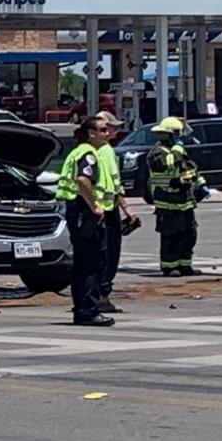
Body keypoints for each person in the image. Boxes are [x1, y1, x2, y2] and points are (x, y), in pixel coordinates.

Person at [55, 116, 114, 327]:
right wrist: (95, 207)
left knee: (81, 264)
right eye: (103, 130)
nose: (107, 133)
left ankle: (82, 310)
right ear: (91, 133)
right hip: (84, 213)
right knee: (90, 264)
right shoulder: (88, 154)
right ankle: (88, 310)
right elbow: (82, 180)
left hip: (77, 212)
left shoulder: (78, 151)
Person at [93, 111, 138, 313]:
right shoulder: (106, 151)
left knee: (96, 255)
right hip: (106, 208)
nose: (115, 130)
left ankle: (96, 296)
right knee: (109, 254)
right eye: (110, 127)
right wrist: (126, 208)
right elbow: (113, 182)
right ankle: (102, 296)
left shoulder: (88, 150)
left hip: (97, 208)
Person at [147, 117, 200, 277]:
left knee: (189, 234)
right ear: (166, 135)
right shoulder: (156, 152)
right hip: (167, 202)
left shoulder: (179, 150)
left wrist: (199, 184)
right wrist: (177, 148)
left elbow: (190, 167)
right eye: (177, 134)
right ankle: (169, 267)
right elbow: (167, 164)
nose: (180, 137)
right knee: (171, 236)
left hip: (185, 202)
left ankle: (185, 265)